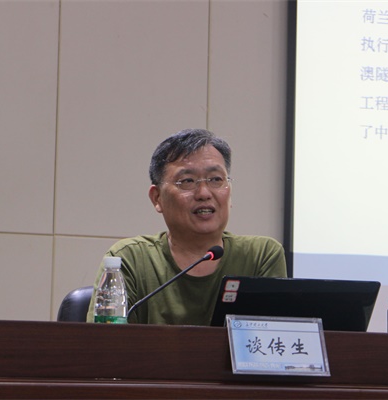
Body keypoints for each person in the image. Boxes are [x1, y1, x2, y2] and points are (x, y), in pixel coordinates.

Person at [86, 128, 287, 325]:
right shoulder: (128, 260)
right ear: (157, 198)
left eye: (216, 180)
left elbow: (274, 339)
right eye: (187, 181)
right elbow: (105, 342)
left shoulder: (260, 256)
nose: (204, 193)